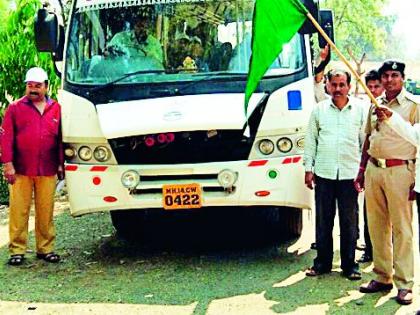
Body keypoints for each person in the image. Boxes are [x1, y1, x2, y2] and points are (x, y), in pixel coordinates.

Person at [355, 60, 419, 305]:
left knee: (402, 229)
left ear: (402, 78)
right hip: (374, 169)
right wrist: (361, 170)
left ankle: (405, 283)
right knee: (377, 226)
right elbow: (368, 138)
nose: (389, 80)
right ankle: (383, 276)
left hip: (400, 172)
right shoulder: (374, 104)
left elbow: (419, 143)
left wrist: (417, 178)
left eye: (394, 75)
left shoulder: (413, 107)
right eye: (386, 76)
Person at [304, 69, 366, 280]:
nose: (338, 89)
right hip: (324, 173)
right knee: (323, 221)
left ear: (349, 86)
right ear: (327, 86)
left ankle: (350, 265)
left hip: (350, 175)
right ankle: (322, 263)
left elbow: (363, 143)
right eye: (334, 85)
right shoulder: (319, 111)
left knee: (349, 222)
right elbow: (311, 141)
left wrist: (362, 171)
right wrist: (308, 168)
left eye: (342, 85)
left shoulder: (360, 110)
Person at [1, 67, 64, 266]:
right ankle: (17, 250)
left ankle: (45, 249)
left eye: (37, 86)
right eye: (30, 86)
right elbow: (6, 137)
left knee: (46, 210)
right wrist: (8, 165)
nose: (33, 90)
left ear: (46, 86)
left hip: (47, 168)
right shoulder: (15, 108)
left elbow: (61, 139)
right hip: (20, 169)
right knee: (19, 210)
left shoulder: (56, 109)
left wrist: (61, 164)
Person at [357, 69, 384, 264]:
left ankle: (388, 257)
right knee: (370, 213)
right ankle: (370, 250)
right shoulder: (365, 108)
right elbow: (367, 140)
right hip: (370, 168)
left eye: (377, 86)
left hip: (394, 170)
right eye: (370, 87)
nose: (373, 90)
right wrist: (362, 169)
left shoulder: (390, 109)